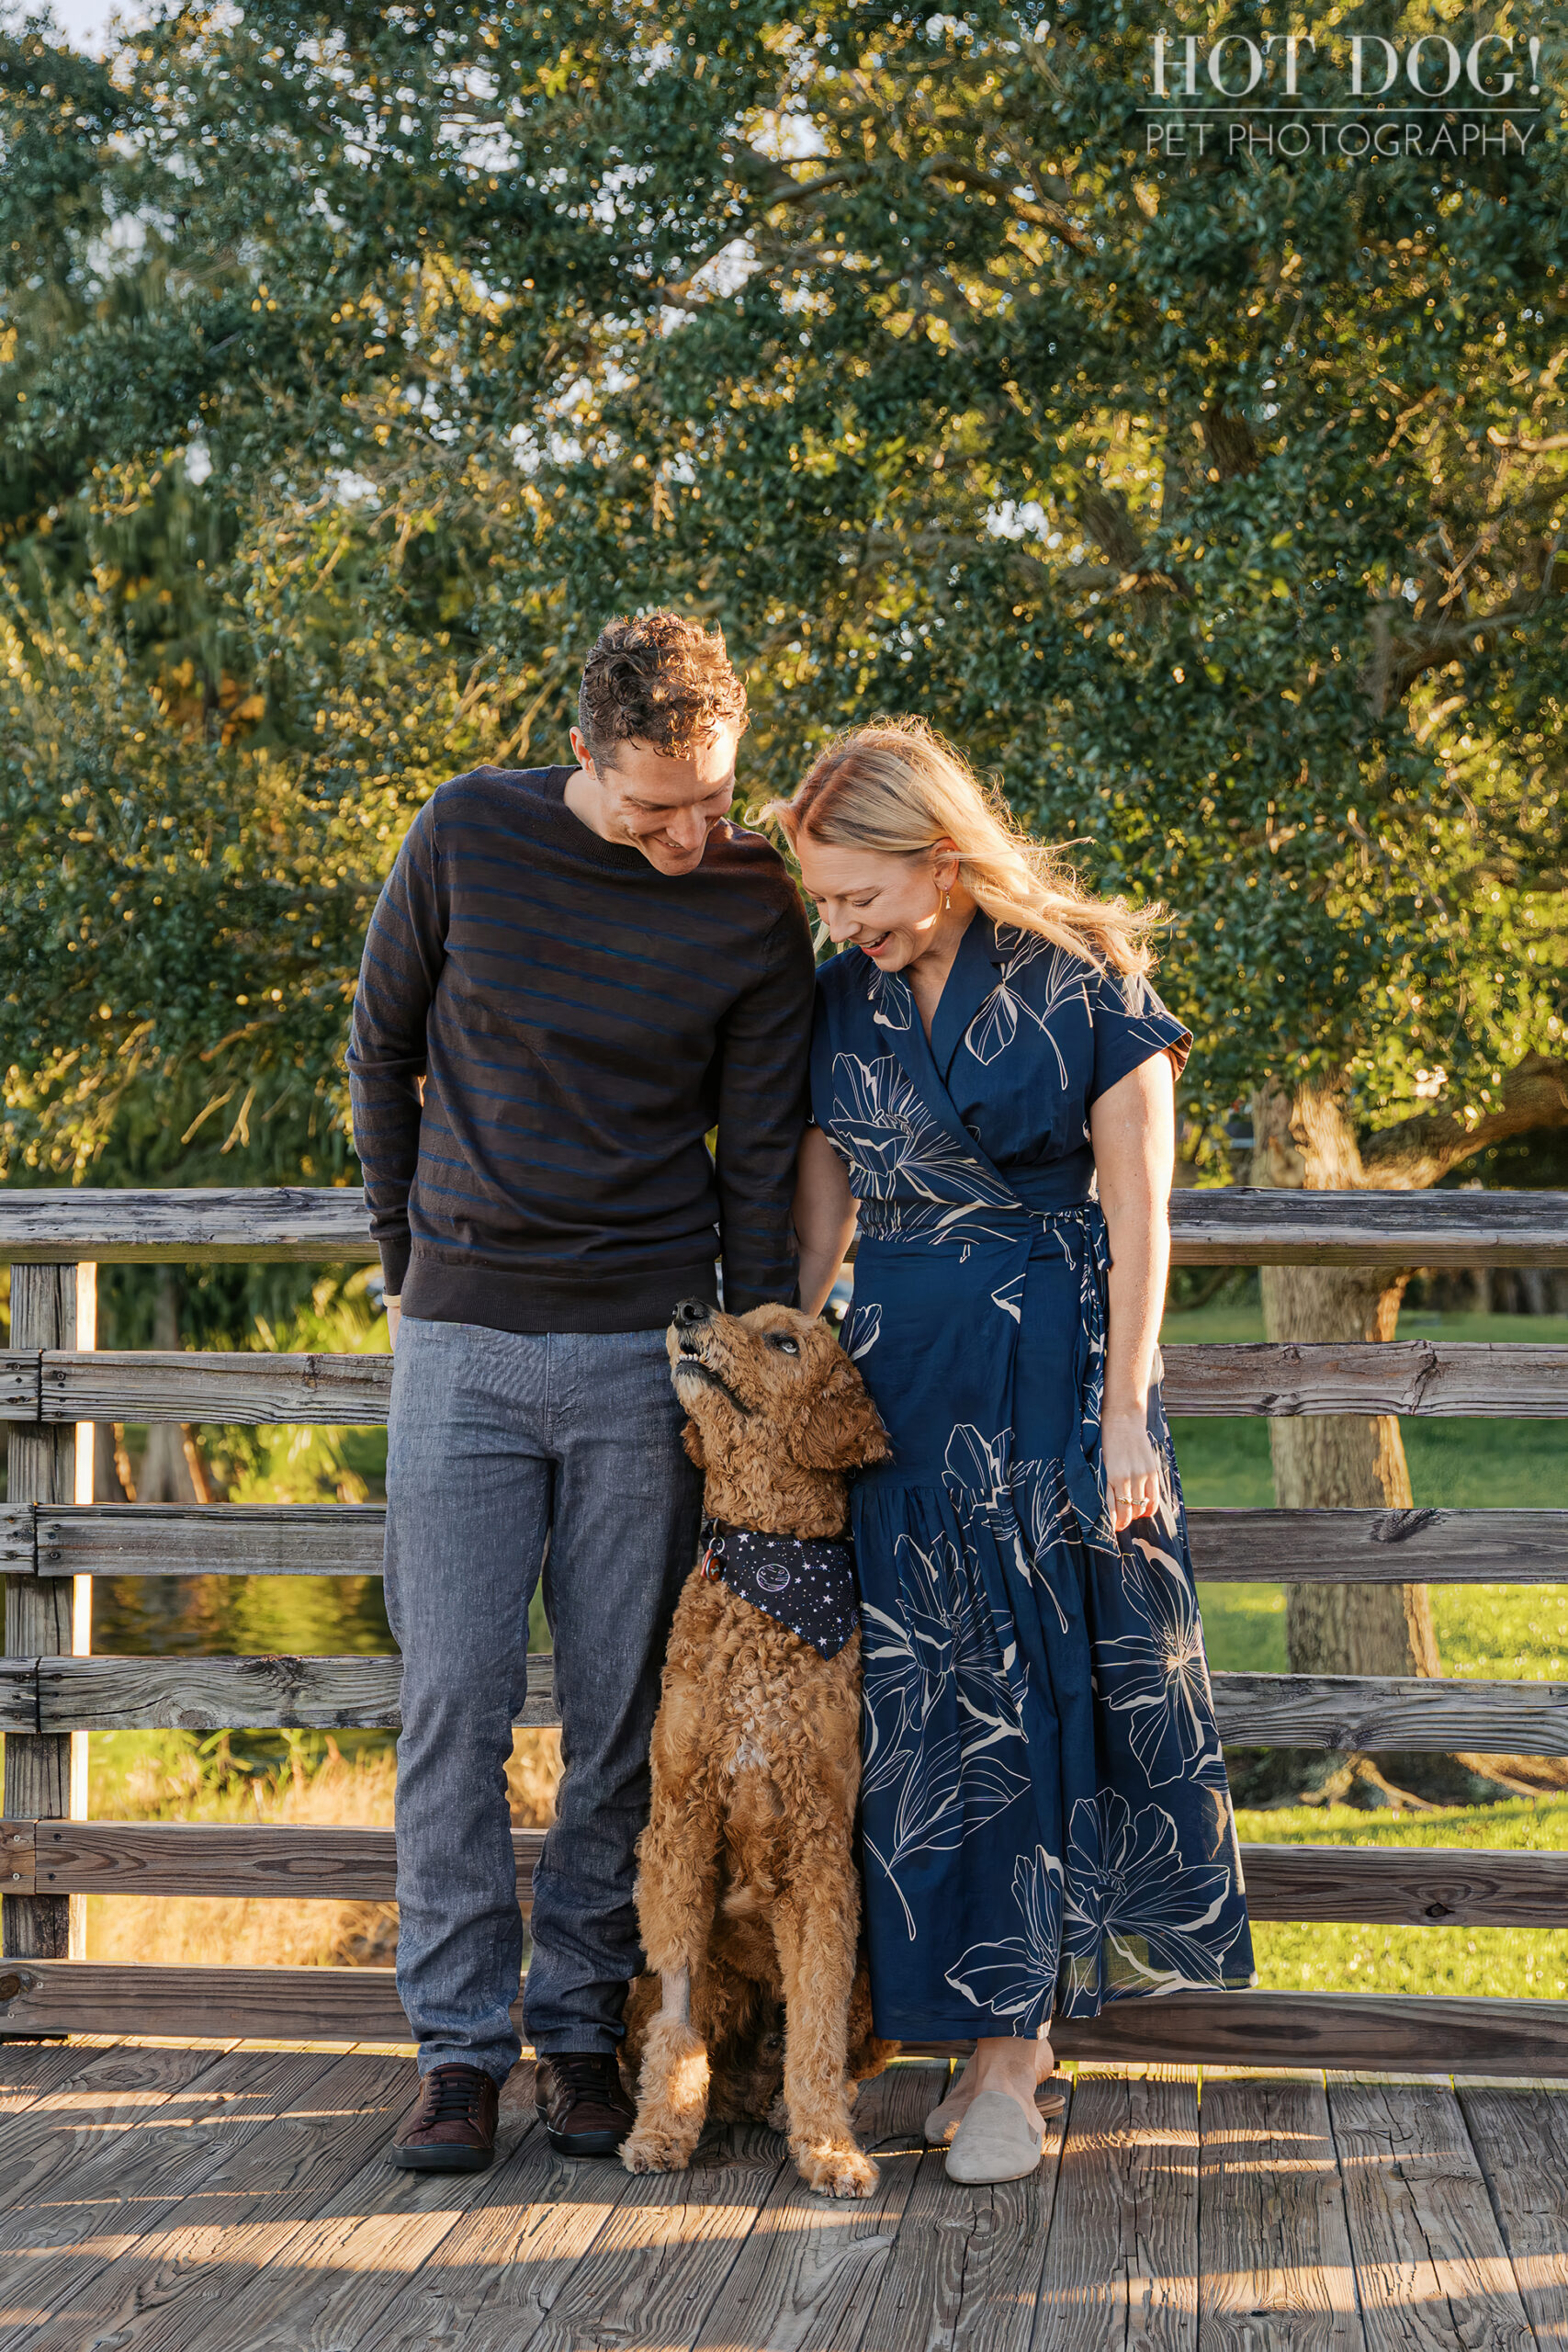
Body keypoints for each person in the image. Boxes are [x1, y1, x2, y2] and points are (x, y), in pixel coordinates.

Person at [348, 613, 815, 2172]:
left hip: (643, 1346)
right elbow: (381, 1043)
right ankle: (459, 2053)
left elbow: (759, 1157)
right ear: (585, 761)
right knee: (453, 1706)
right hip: (464, 1340)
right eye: (653, 809)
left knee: (622, 1723)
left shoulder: (755, 906)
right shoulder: (467, 834)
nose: (690, 836)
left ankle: (578, 2039)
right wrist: (402, 1260)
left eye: (715, 801)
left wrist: (738, 1378)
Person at [773, 718, 1253, 2188]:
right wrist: (796, 1373)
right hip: (901, 1391)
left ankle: (1013, 2064)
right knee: (924, 1709)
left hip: (1052, 1382)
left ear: (937, 853)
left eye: (855, 894)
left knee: (1036, 1698)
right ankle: (955, 2027)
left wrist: (1119, 1420)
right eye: (823, 902)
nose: (838, 925)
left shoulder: (1091, 981)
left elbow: (1141, 1218)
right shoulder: (836, 1002)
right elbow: (819, 1216)